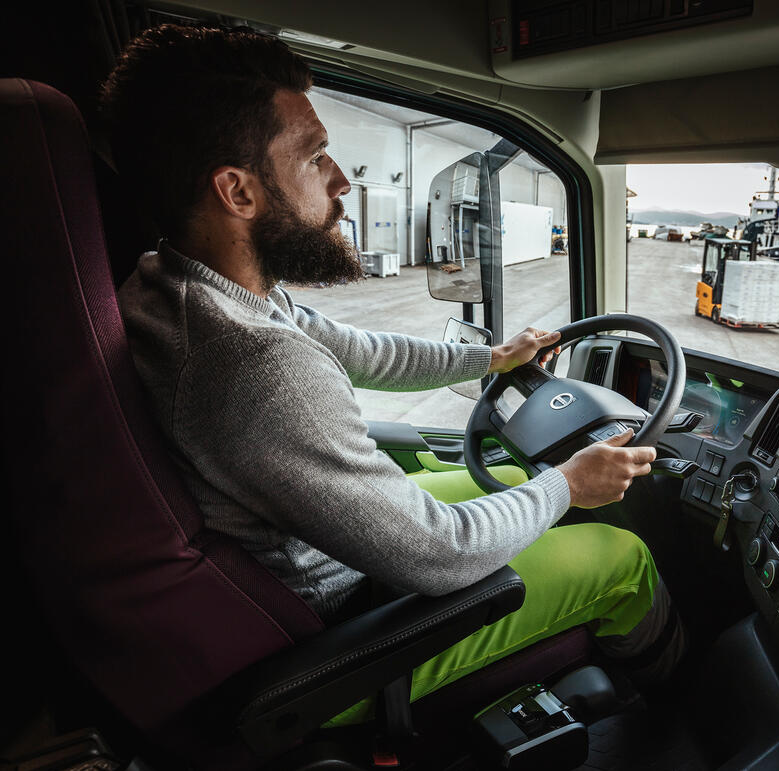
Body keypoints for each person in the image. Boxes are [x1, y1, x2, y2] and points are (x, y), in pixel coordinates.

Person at [100, 23, 684, 722]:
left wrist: (490, 358)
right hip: (351, 637)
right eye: (315, 159)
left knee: (511, 480)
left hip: (331, 562)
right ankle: (675, 713)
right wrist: (567, 484)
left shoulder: (184, 284)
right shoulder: (254, 366)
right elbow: (440, 554)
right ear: (238, 193)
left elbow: (358, 347)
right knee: (615, 554)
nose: (342, 181)